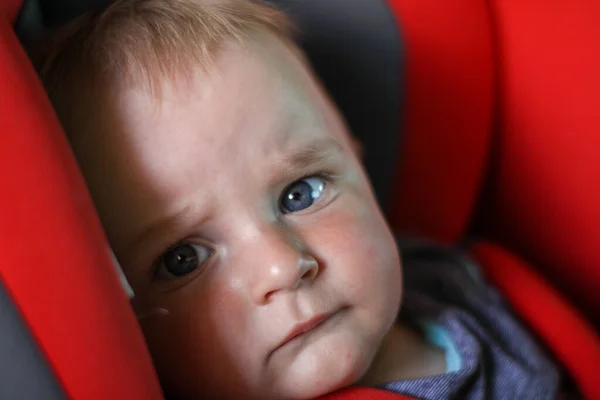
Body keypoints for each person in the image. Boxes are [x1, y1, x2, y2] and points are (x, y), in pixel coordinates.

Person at [36, 0, 563, 398]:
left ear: (354, 157)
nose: (283, 267)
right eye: (184, 259)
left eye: (300, 193)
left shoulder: (446, 277)